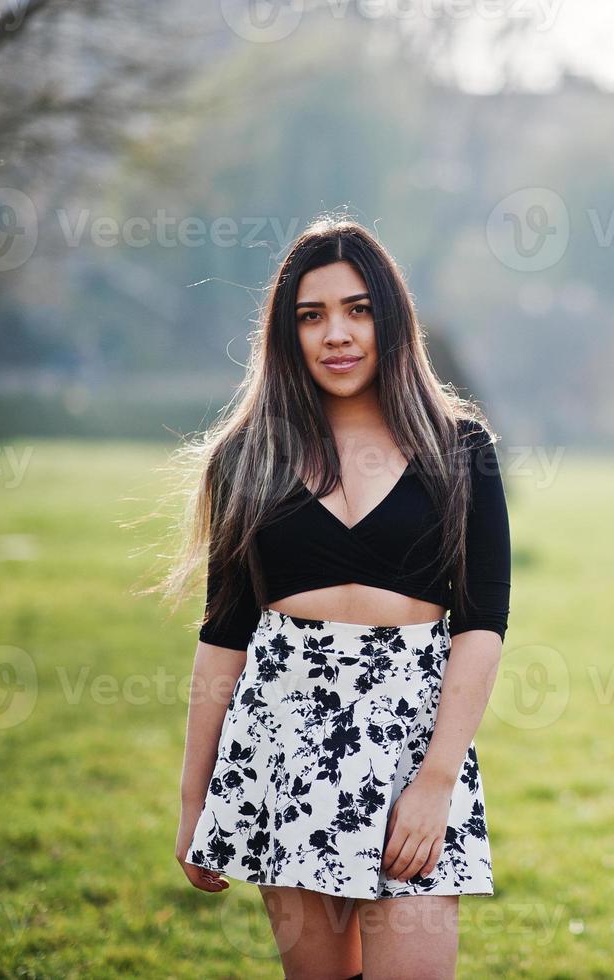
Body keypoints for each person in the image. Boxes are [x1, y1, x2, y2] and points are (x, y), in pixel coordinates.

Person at [165, 216, 511, 979]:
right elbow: (223, 635)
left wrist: (436, 780)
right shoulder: (246, 456)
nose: (337, 334)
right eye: (311, 316)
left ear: (390, 319)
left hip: (411, 750)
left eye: (357, 309)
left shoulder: (459, 449)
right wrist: (194, 801)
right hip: (281, 747)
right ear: (286, 335)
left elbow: (483, 623)